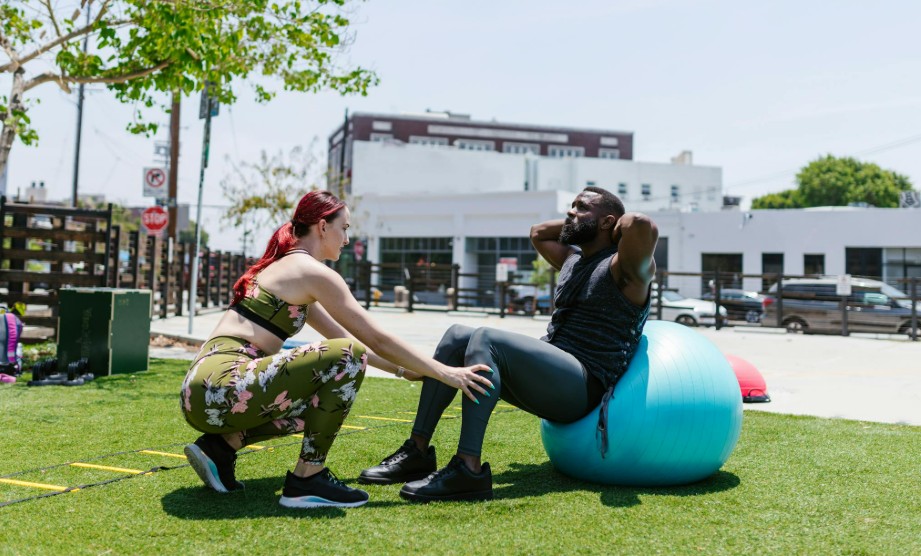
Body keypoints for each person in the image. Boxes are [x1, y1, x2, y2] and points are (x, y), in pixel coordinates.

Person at [180, 190, 493, 509]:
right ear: (322, 226)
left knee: (324, 389)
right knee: (346, 356)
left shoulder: (288, 271)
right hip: (223, 385)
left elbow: (350, 338)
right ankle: (307, 478)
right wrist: (446, 372)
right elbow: (370, 340)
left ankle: (221, 446)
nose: (346, 239)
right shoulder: (311, 272)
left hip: (204, 393)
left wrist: (408, 370)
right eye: (344, 228)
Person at [359, 186, 658, 502]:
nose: (571, 211)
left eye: (582, 207)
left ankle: (468, 468)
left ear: (608, 222)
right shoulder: (572, 259)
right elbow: (538, 233)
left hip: (584, 387)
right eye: (571, 205)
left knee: (487, 339)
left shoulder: (626, 269)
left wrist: (611, 226)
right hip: (551, 373)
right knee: (457, 335)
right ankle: (417, 451)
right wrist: (580, 222)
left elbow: (642, 225)